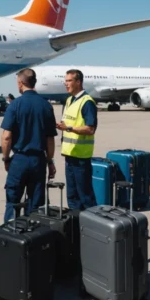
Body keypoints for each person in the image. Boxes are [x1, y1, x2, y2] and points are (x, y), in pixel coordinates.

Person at [0, 68, 57, 221]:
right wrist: (50, 161)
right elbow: (50, 139)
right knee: (36, 205)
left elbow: (6, 137)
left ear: (20, 83)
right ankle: (33, 231)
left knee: (13, 202)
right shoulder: (46, 106)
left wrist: (6, 158)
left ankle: (11, 231)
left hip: (19, 160)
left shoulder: (15, 105)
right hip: (38, 161)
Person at [56, 69, 98, 210]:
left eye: (69, 81)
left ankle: (91, 221)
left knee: (85, 195)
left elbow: (90, 129)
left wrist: (69, 128)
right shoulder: (69, 100)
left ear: (78, 82)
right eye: (65, 81)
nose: (66, 84)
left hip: (81, 157)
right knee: (72, 195)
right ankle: (75, 222)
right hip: (69, 155)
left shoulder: (87, 102)